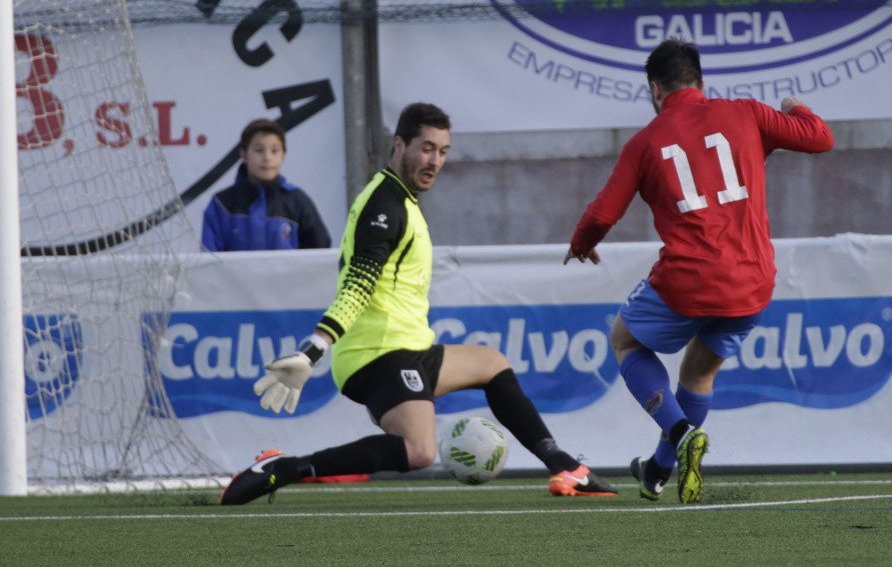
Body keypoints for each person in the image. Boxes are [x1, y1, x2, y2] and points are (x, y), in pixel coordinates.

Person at [220, 102, 618, 504]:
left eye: (443, 151)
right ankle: (286, 468)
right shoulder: (385, 205)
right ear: (399, 144)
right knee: (419, 451)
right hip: (377, 352)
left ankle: (565, 467)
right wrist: (313, 350)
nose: (435, 161)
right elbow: (357, 285)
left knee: (491, 363)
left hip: (406, 348)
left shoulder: (402, 198)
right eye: (426, 148)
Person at [564, 38, 834, 504]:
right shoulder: (746, 112)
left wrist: (581, 245)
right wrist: (795, 106)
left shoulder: (645, 142)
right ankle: (657, 471)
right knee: (697, 374)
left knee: (624, 340)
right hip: (752, 283)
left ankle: (680, 430)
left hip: (687, 281)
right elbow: (820, 137)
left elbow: (603, 214)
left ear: (655, 89)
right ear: (701, 82)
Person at [201, 118, 331, 251]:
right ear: (244, 154)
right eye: (259, 150)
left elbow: (318, 255)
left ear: (283, 156)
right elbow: (209, 260)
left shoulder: (297, 202)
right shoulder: (222, 204)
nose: (267, 158)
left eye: (275, 151)